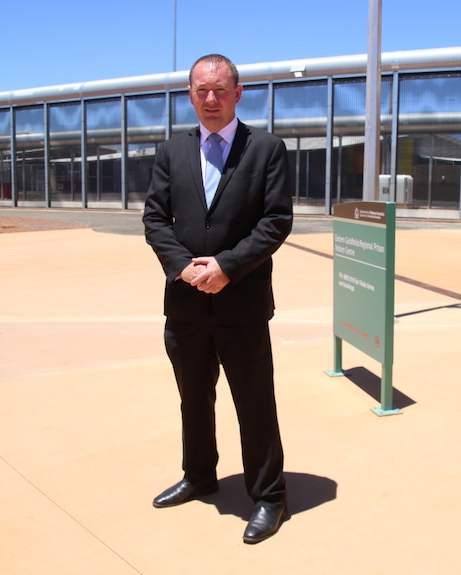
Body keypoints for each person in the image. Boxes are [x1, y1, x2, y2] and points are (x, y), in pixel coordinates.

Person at [142, 54, 292, 544]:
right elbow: (155, 220)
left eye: (220, 90)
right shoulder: (171, 151)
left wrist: (226, 266)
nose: (211, 99)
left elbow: (275, 221)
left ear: (238, 92)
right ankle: (199, 475)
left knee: (254, 403)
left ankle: (269, 496)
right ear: (190, 94)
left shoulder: (266, 149)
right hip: (185, 303)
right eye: (201, 91)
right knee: (194, 400)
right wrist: (183, 267)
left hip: (242, 305)